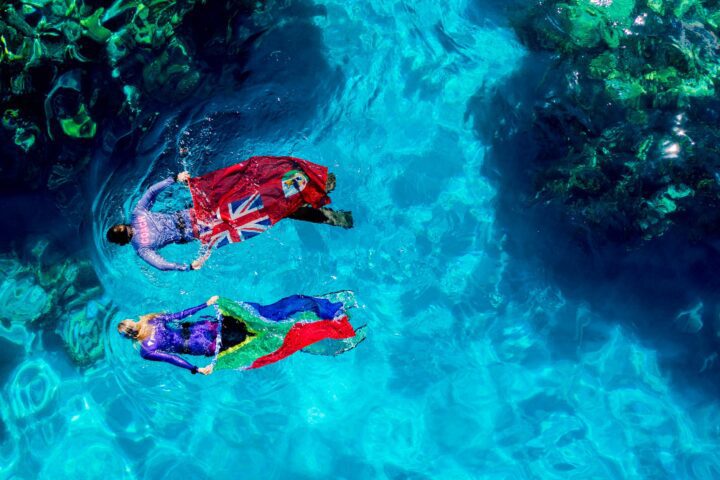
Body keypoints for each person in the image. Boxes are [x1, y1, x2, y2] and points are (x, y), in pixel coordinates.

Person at [107, 163, 353, 271]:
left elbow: (160, 265)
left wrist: (187, 267)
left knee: (262, 210)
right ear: (123, 225)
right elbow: (151, 192)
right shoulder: (137, 214)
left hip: (203, 230)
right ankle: (314, 186)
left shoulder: (142, 248)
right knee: (253, 194)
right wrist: (174, 178)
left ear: (123, 243)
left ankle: (328, 211)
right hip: (199, 211)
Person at [117, 293, 365, 375]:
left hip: (209, 346)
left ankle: (324, 329)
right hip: (213, 326)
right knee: (268, 320)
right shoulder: (152, 319)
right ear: (131, 322)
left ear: (128, 336)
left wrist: (196, 369)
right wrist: (206, 304)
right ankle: (327, 318)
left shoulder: (145, 350)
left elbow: (172, 359)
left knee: (270, 339)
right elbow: (180, 315)